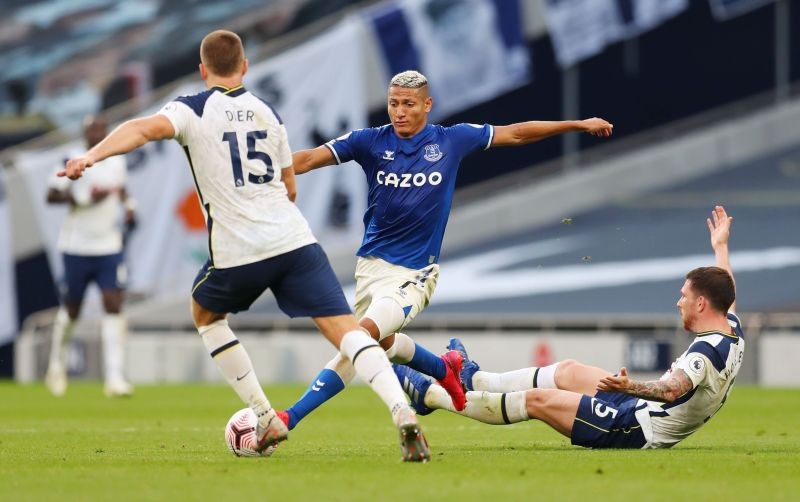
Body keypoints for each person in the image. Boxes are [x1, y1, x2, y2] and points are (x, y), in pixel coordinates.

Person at [59, 30, 429, 461]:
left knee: (205, 313)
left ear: (202, 70)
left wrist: (92, 156)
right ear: (245, 66)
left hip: (241, 250)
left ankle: (265, 414)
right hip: (295, 241)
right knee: (347, 333)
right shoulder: (267, 111)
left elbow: (141, 129)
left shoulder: (191, 109)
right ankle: (402, 411)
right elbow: (289, 186)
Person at [282, 70, 614, 431]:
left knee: (357, 341)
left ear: (427, 105)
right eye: (393, 104)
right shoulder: (368, 141)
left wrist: (578, 125)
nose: (400, 112)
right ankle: (445, 368)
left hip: (413, 274)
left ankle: (288, 418)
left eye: (409, 104)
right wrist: (264, 172)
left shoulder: (452, 140)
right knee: (385, 345)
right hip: (370, 269)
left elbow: (516, 133)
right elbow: (310, 159)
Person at [395, 206, 744, 449]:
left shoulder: (704, 353)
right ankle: (474, 379)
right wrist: (721, 247)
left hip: (636, 429)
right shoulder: (731, 327)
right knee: (568, 370)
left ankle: (430, 396)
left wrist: (628, 385)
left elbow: (669, 391)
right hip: (637, 409)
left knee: (537, 401)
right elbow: (726, 291)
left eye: (683, 296)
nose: (678, 302)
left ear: (701, 304)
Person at [45, 115, 137, 398]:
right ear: (84, 134)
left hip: (108, 246)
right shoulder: (72, 158)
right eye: (91, 130)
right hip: (77, 247)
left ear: (106, 131)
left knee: (113, 303)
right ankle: (56, 365)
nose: (96, 133)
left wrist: (130, 205)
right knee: (73, 309)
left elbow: (121, 190)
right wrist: (84, 199)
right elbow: (51, 195)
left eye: (100, 128)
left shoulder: (117, 161)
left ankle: (114, 377)